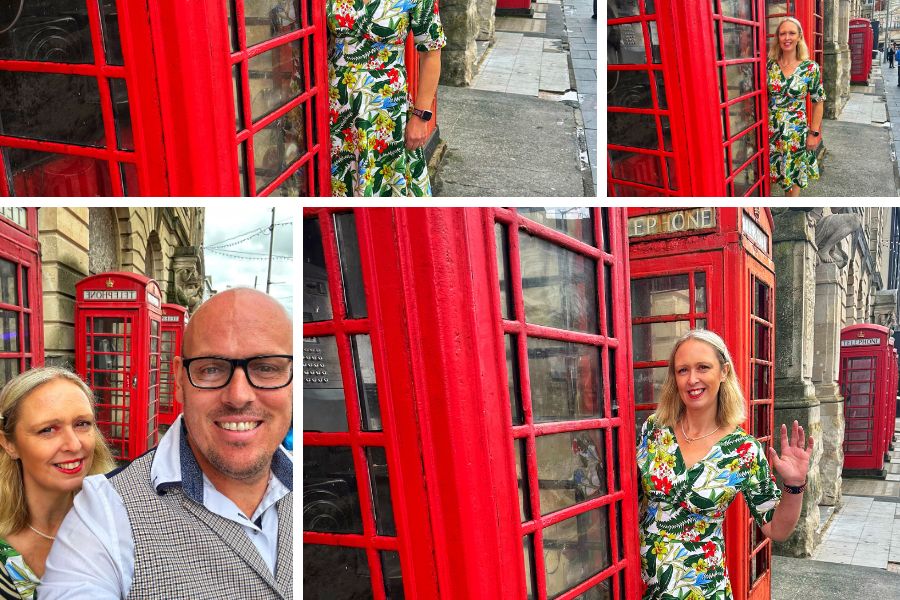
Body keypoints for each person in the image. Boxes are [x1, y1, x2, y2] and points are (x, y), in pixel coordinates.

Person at [40, 289, 293, 599]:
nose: (239, 395)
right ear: (178, 380)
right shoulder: (103, 516)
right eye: (211, 369)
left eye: (267, 368)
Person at [637, 330, 813, 599]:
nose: (692, 379)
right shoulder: (654, 429)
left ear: (723, 371)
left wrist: (794, 484)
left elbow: (776, 528)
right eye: (682, 370)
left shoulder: (742, 450)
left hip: (702, 589)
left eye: (703, 367)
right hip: (641, 586)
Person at [0, 367, 115, 599]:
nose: (73, 445)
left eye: (82, 424)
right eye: (48, 430)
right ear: (9, 444)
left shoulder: (119, 519)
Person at [327, 0, 446, 197]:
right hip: (336, 105)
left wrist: (420, 117)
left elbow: (431, 53)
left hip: (387, 111)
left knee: (385, 179)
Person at [767, 17, 825, 197]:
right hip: (771, 131)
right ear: (777, 37)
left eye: (791, 33)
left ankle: (792, 207)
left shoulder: (810, 68)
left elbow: (818, 101)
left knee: (795, 175)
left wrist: (814, 134)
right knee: (779, 175)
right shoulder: (770, 65)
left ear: (799, 36)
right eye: (782, 33)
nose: (787, 38)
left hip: (796, 132)